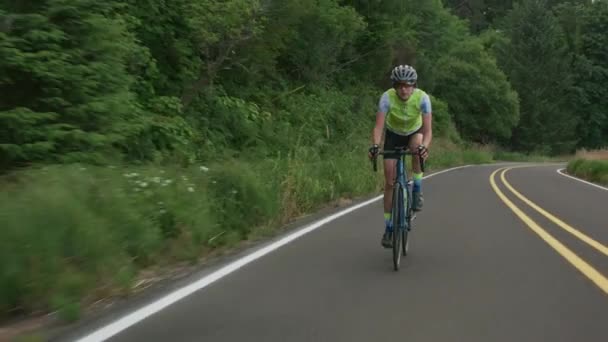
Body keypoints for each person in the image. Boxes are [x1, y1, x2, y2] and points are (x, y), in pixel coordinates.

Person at [368, 65, 433, 248]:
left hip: (415, 132)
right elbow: (378, 127)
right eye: (400, 85)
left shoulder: (423, 98)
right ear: (395, 86)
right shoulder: (387, 97)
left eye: (408, 85)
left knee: (417, 146)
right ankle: (389, 229)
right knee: (389, 182)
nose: (404, 89)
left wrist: (425, 147)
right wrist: (375, 145)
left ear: (414, 86)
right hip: (394, 134)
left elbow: (428, 131)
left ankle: (417, 190)